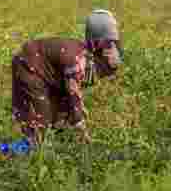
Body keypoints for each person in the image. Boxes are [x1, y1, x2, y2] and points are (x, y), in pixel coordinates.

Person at [10, 9, 123, 146]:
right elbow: (73, 96)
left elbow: (71, 98)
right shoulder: (77, 63)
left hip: (46, 74)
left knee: (60, 121)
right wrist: (82, 130)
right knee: (38, 129)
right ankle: (5, 151)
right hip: (29, 66)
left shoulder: (86, 57)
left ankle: (57, 150)